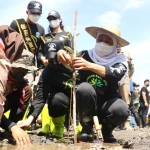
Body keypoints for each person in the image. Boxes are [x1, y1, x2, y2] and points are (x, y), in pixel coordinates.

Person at [18, 24, 130, 143]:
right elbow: (41, 94)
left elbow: (116, 73)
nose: (103, 43)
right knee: (84, 88)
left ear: (115, 45)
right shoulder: (84, 55)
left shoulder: (120, 60)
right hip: (85, 103)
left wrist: (89, 65)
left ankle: (107, 131)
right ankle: (86, 129)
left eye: (108, 41)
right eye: (100, 39)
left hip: (107, 104)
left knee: (121, 109)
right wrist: (62, 53)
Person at [17, 10, 73, 138]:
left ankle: (82, 126)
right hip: (49, 73)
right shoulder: (45, 38)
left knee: (81, 92)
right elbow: (40, 97)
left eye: (55, 18)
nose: (52, 21)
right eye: (50, 19)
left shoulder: (68, 35)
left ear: (60, 19)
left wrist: (66, 60)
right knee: (52, 99)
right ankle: (50, 125)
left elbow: (73, 51)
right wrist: (29, 120)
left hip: (69, 81)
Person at [0, 25, 30, 145]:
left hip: (4, 109)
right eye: (18, 69)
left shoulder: (19, 84)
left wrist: (14, 125)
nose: (21, 73)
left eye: (24, 71)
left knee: (27, 90)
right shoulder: (2, 68)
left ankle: (13, 124)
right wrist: (11, 126)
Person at [10, 0, 45, 86]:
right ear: (27, 12)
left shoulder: (41, 29)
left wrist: (40, 68)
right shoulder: (16, 24)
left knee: (26, 90)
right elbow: (9, 44)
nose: (36, 15)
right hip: (15, 64)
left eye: (38, 14)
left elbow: (40, 51)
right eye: (33, 13)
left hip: (30, 67)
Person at [117, 48, 134, 130]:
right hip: (111, 78)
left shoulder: (126, 54)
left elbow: (132, 68)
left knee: (125, 100)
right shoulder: (109, 52)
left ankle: (126, 123)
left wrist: (127, 78)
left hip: (124, 78)